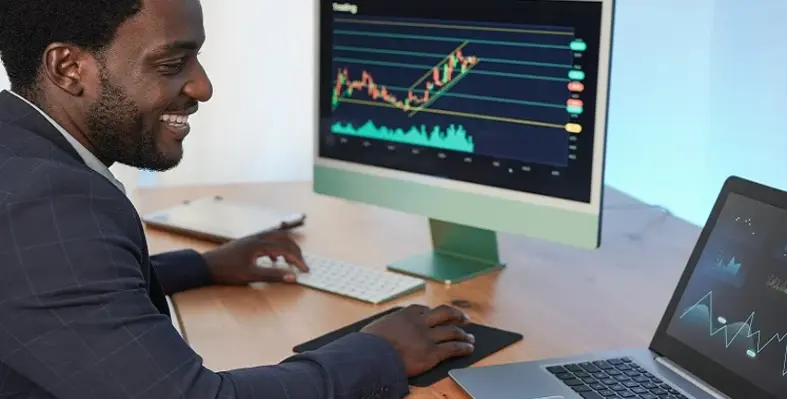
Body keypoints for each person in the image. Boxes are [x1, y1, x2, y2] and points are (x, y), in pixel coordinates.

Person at [0, 0, 476, 397]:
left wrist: (203, 266)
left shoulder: (17, 148)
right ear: (68, 68)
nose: (203, 86)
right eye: (171, 63)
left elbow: (61, 284)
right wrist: (380, 353)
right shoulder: (48, 202)